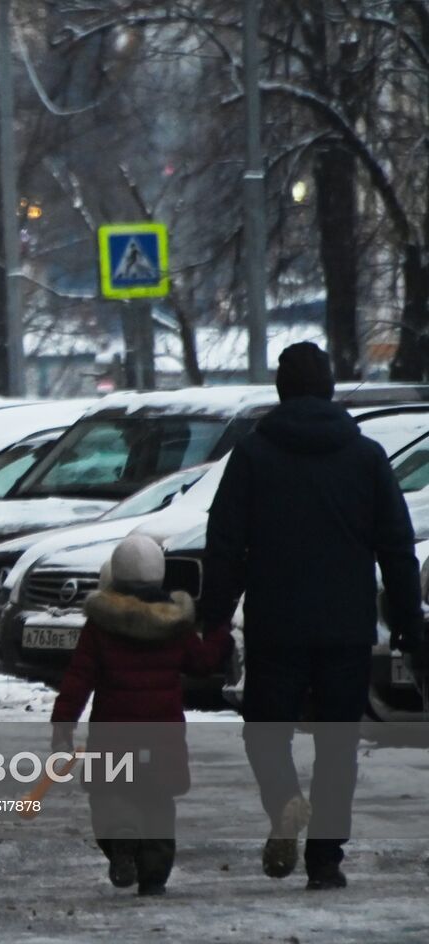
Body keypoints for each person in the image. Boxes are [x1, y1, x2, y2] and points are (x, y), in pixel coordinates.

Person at [202, 342, 425, 890]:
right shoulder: (366, 457)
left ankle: (284, 805)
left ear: (281, 390)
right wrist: (408, 623)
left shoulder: (253, 455)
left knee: (265, 733)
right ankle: (325, 857)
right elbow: (397, 546)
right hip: (346, 627)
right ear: (328, 388)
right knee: (337, 743)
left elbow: (225, 545)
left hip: (277, 624)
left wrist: (212, 617)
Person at [51, 534, 232, 897]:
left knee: (107, 795)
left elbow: (78, 678)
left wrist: (63, 725)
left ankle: (121, 841)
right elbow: (203, 664)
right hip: (162, 738)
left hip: (113, 736)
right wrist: (220, 633)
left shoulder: (101, 625)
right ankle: (153, 876)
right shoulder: (175, 625)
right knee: (157, 803)